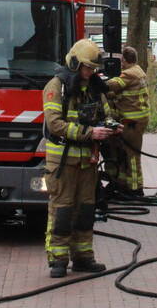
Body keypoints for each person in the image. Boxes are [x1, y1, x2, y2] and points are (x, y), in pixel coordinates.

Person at [41, 38, 120, 278]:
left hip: (88, 162)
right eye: (87, 68)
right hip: (62, 163)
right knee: (62, 210)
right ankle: (58, 260)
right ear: (75, 63)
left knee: (86, 210)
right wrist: (89, 133)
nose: (91, 72)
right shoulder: (56, 87)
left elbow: (106, 113)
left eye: (93, 69)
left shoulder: (94, 88)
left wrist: (111, 126)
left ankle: (84, 257)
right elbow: (55, 125)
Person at [103, 46, 150, 195]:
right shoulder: (139, 71)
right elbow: (119, 93)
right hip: (135, 120)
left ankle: (136, 188)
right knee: (122, 153)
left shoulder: (129, 74)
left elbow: (114, 84)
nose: (121, 64)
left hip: (132, 122)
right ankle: (122, 184)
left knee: (131, 155)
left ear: (125, 59)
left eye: (122, 60)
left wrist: (99, 82)